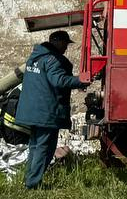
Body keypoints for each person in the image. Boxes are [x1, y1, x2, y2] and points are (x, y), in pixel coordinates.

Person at [14, 30, 90, 188]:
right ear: (57, 42)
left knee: (35, 145)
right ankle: (33, 184)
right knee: (45, 148)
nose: (66, 48)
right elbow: (59, 81)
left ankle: (30, 180)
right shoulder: (53, 59)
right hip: (45, 112)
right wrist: (80, 80)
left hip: (32, 111)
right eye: (65, 44)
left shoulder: (35, 57)